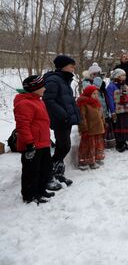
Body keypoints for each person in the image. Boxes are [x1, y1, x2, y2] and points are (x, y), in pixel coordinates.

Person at [14, 75, 54, 204]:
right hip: (32, 144)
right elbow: (22, 125)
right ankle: (30, 195)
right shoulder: (24, 103)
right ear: (34, 88)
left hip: (43, 142)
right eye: (42, 86)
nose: (44, 88)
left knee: (44, 169)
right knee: (31, 171)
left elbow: (41, 123)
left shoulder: (38, 100)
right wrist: (29, 143)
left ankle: (40, 190)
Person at [43, 55, 80, 189]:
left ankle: (58, 172)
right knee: (64, 146)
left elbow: (67, 100)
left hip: (66, 119)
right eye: (71, 66)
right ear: (63, 67)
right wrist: (64, 115)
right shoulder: (54, 80)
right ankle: (49, 173)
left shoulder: (64, 80)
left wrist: (75, 114)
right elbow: (48, 100)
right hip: (60, 120)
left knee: (62, 146)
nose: (73, 69)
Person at [83, 63, 115, 149]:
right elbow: (92, 90)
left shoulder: (101, 83)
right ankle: (96, 146)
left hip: (103, 109)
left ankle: (103, 144)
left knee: (104, 127)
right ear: (90, 74)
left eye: (98, 74)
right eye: (94, 74)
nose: (96, 76)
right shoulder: (86, 82)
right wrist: (98, 80)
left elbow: (105, 97)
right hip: (93, 110)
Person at [76, 85, 105, 170]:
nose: (96, 95)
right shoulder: (84, 104)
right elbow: (82, 117)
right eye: (94, 94)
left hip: (97, 128)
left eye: (97, 93)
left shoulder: (96, 103)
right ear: (88, 94)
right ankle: (85, 161)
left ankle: (95, 158)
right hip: (89, 129)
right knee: (88, 146)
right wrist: (83, 129)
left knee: (96, 145)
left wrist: (103, 122)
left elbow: (100, 115)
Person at [106, 69, 128, 153]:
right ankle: (119, 142)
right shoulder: (111, 86)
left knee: (125, 125)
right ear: (117, 76)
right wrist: (112, 111)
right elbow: (110, 99)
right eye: (123, 75)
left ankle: (124, 141)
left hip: (125, 110)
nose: (125, 77)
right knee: (118, 126)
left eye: (125, 75)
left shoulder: (124, 86)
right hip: (117, 111)